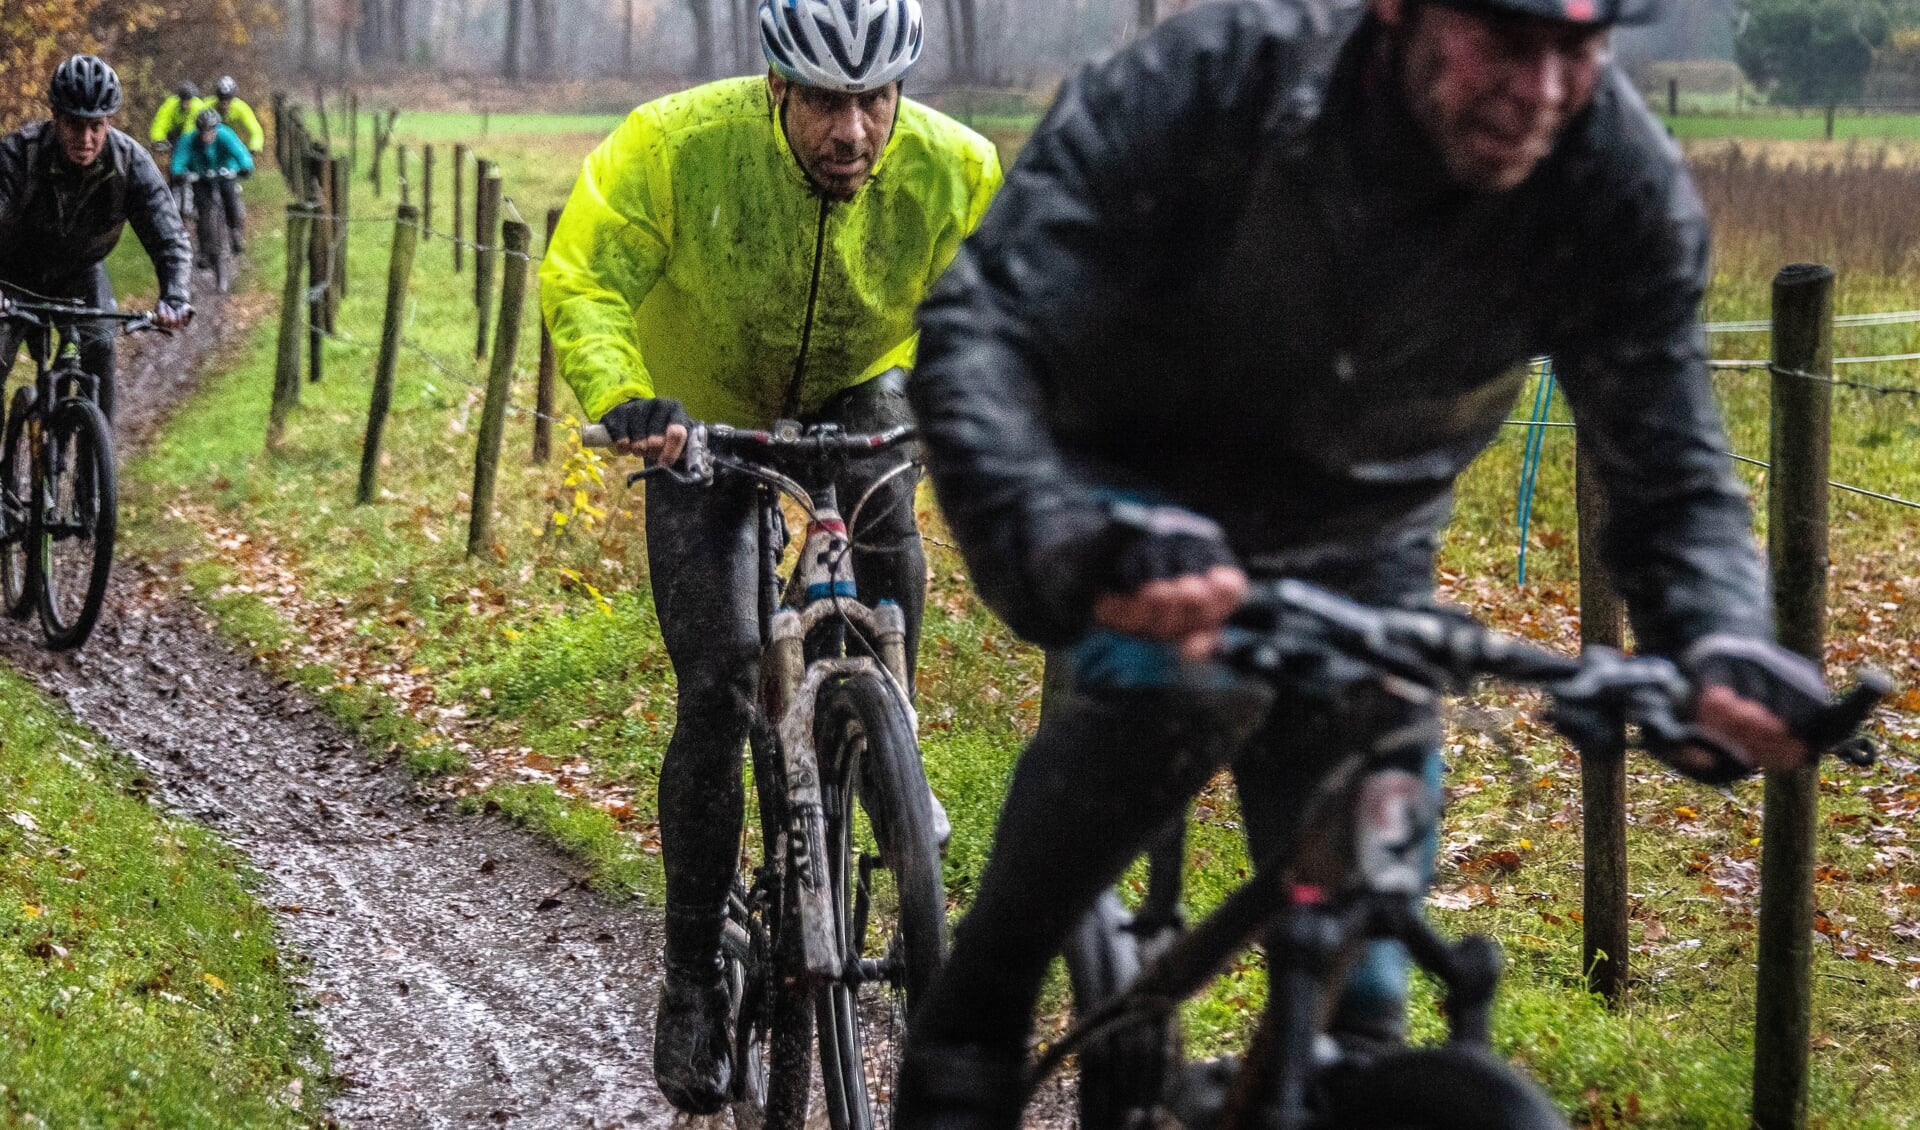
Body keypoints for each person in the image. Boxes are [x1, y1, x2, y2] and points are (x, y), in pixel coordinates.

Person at [895, 0, 1837, 1125]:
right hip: (1138, 484)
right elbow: (982, 331)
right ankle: (975, 1017)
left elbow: (1671, 468)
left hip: (1366, 529)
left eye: (1577, 52)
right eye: (1505, 38)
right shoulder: (1213, 79)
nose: (1540, 91)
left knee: (1365, 961)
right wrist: (1060, 533)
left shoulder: (1610, 181)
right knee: (1176, 693)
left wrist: (1721, 639)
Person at [539, 0, 1001, 1114]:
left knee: (892, 529)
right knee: (718, 683)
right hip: (696, 414)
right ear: (776, 90)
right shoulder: (674, 144)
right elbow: (584, 271)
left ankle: (893, 741)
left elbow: (1019, 296)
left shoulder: (956, 168)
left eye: (876, 99)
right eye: (829, 103)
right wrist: (622, 396)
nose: (855, 131)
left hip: (858, 388)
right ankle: (692, 975)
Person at [0, 55, 192, 424]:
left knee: (100, 346)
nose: (85, 139)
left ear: (109, 122)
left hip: (81, 271)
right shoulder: (17, 154)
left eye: (96, 126)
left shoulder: (130, 162)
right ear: (55, 117)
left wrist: (175, 295)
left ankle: (95, 472)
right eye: (73, 125)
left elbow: (169, 236)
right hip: (12, 275)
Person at [172, 107, 254, 260]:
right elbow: (179, 160)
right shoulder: (188, 140)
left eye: (210, 131)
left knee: (230, 198)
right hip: (201, 176)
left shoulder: (225, 135)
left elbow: (241, 153)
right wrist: (178, 173)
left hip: (225, 172)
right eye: (203, 132)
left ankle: (235, 231)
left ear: (216, 129)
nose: (206, 135)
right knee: (203, 209)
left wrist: (245, 167)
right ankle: (203, 249)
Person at [210, 75, 266, 155]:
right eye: (221, 98)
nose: (224, 102)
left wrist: (253, 148)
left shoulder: (241, 109)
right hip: (212, 148)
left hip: (234, 147)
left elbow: (255, 131)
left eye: (228, 98)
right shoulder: (209, 106)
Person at [147, 80, 205, 151]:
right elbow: (160, 123)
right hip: (172, 133)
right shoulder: (171, 104)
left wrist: (184, 145)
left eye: (189, 101)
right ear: (180, 100)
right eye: (185, 102)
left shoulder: (198, 107)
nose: (188, 105)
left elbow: (190, 128)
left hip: (192, 135)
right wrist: (158, 140)